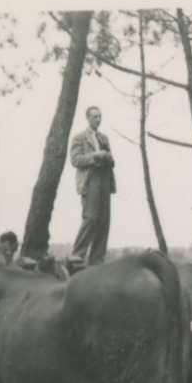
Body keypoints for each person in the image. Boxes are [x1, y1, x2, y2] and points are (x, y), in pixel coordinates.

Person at [69, 106, 116, 265]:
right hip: (90, 179)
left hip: (105, 179)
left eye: (100, 116)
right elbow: (75, 161)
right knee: (90, 217)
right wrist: (95, 156)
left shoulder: (104, 138)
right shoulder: (79, 138)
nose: (98, 120)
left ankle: (97, 261)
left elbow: (111, 160)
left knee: (104, 220)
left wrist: (108, 158)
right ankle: (77, 255)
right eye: (95, 117)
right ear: (87, 118)